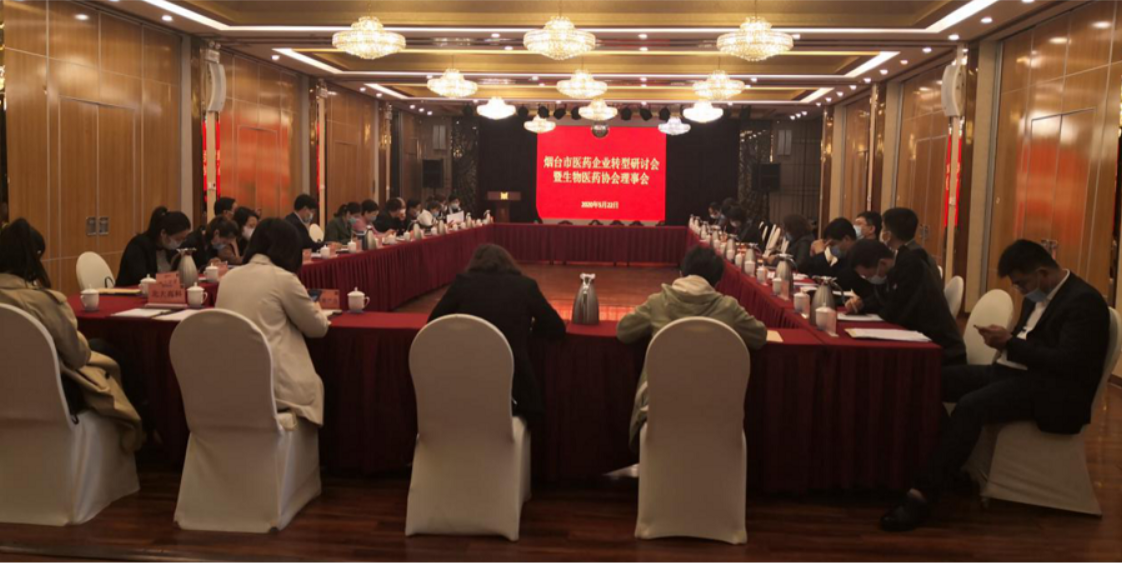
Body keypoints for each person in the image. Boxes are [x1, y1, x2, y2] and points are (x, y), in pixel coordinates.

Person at [881, 240, 1110, 532]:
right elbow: (1028, 342)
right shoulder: (1035, 297)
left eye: (1022, 283)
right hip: (1015, 373)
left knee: (970, 407)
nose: (1021, 290)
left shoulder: (1083, 302)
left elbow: (1067, 363)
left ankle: (922, 494)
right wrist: (1007, 344)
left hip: (1054, 391)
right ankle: (946, 463)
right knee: (931, 381)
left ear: (1042, 273)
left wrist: (1009, 343)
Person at [0, 219, 144, 452]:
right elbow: (77, 357)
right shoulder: (43, 302)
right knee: (105, 351)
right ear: (33, 258)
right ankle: (141, 436)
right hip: (49, 396)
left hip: (6, 392)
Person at [619, 245, 768, 451]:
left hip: (658, 404)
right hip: (716, 404)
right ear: (717, 283)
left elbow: (624, 331)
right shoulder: (728, 308)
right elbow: (759, 336)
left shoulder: (658, 302)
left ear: (681, 273)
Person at [428, 244, 565, 419]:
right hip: (516, 389)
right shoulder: (526, 286)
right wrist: (529, 330)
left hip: (464, 385)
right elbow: (557, 327)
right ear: (509, 262)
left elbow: (434, 323)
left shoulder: (463, 283)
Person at [216, 218, 331, 426]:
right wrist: (317, 309)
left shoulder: (228, 278)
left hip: (231, 382)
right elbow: (317, 328)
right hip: (274, 387)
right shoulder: (283, 279)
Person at [846, 239, 965, 366]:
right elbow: (882, 300)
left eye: (869, 276)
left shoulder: (911, 267)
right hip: (920, 344)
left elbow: (895, 313)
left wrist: (879, 307)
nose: (869, 280)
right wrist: (862, 304)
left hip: (940, 352)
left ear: (882, 263)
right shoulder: (893, 269)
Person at [117, 206, 192, 287]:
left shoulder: (170, 249)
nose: (180, 243)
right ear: (163, 233)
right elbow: (141, 278)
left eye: (183, 239)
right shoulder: (138, 245)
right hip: (131, 291)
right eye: (178, 239)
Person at [800, 217, 871, 294]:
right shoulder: (843, 257)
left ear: (846, 239)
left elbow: (837, 283)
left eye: (832, 244)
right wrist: (814, 256)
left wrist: (821, 254)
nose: (829, 248)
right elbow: (807, 271)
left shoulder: (861, 254)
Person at [882, 207, 941, 284]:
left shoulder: (914, 259)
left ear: (888, 234)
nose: (881, 232)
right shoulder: (902, 252)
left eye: (883, 229)